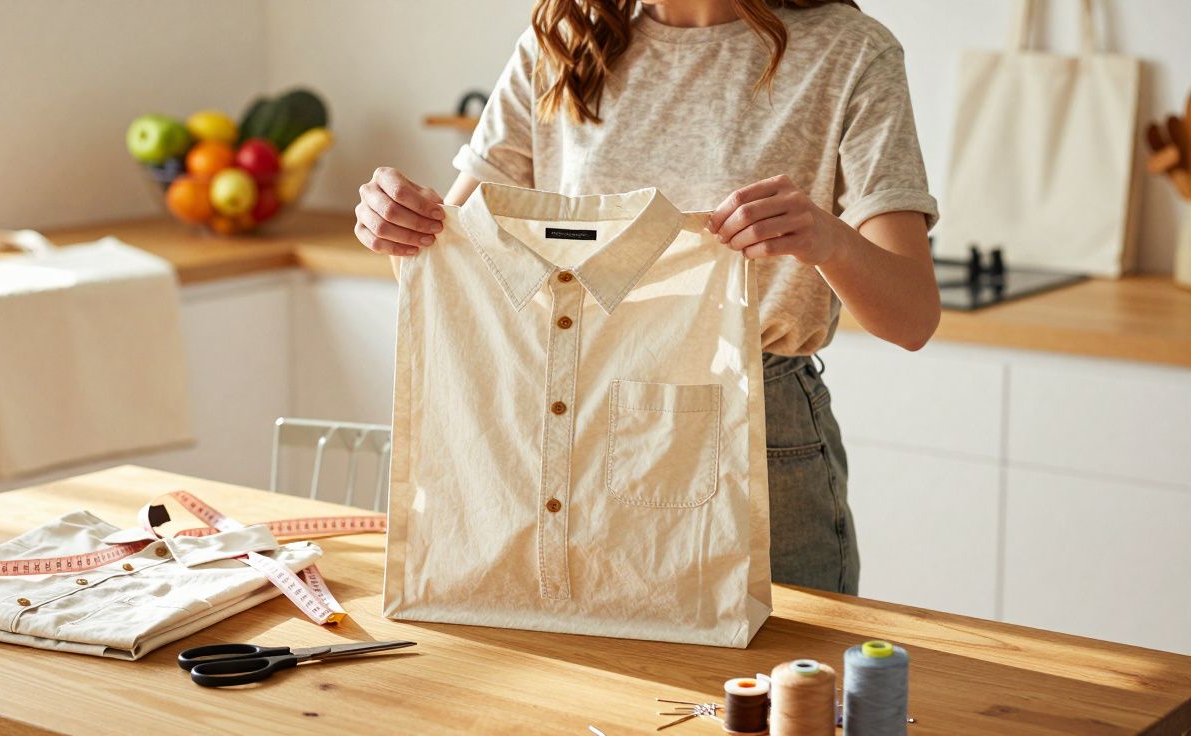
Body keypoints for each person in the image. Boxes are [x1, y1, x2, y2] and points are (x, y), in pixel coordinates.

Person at [353, 0, 940, 595]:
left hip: (761, 433)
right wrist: (402, 231)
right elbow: (458, 274)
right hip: (574, 427)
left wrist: (827, 239)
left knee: (779, 684)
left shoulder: (852, 51)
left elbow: (912, 317)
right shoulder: (562, 44)